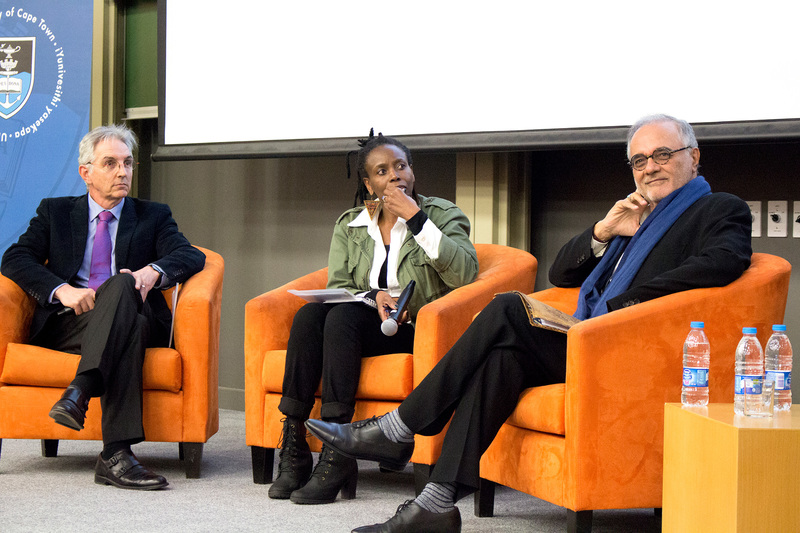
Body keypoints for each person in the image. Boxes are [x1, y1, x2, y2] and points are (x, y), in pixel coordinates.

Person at [306, 114, 752, 532]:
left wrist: (626, 302)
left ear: (693, 156)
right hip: (589, 338)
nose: (649, 168)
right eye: (639, 160)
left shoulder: (718, 208)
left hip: (629, 345)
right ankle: (436, 505)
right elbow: (563, 274)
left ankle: (401, 426)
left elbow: (724, 261)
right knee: (503, 359)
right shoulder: (636, 217)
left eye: (662, 155)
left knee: (506, 308)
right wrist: (605, 230)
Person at [269, 130, 478, 505]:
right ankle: (295, 444)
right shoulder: (351, 224)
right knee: (309, 318)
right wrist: (374, 295)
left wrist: (415, 219)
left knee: (341, 320)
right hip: (366, 322)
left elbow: (465, 274)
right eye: (382, 171)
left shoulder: (442, 215)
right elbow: (339, 284)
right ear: (369, 183)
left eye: (401, 166)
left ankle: (337, 454)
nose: (394, 175)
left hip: (415, 328)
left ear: (412, 171)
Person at [1, 124, 205, 490]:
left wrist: (151, 273)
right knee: (132, 330)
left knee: (125, 287)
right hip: (71, 323)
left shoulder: (152, 215)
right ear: (86, 172)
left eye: (127, 163)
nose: (122, 172)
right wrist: (61, 290)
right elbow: (15, 258)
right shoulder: (56, 213)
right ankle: (115, 455)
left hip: (132, 313)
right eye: (110, 163)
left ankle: (81, 389)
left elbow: (190, 255)